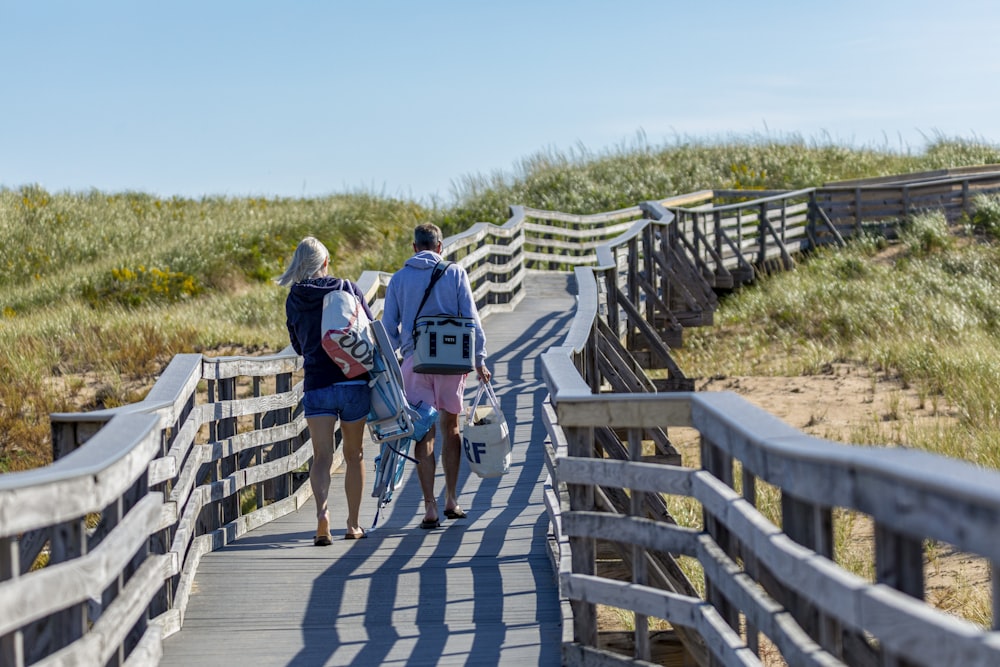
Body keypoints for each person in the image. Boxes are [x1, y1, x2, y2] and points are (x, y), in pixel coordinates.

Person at [382, 223, 491, 529]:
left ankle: (429, 506)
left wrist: (391, 366)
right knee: (451, 427)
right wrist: (480, 358)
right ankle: (452, 499)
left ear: (414, 247)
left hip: (416, 362)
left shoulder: (399, 279)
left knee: (424, 431)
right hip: (452, 359)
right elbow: (471, 319)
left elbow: (389, 330)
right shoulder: (455, 273)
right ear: (440, 247)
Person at [276, 236, 371, 543]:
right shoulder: (346, 288)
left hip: (317, 383)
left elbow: (297, 344)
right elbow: (369, 328)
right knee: (354, 455)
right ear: (326, 263)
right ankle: (353, 524)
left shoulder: (294, 298)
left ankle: (322, 517)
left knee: (321, 458)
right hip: (353, 379)